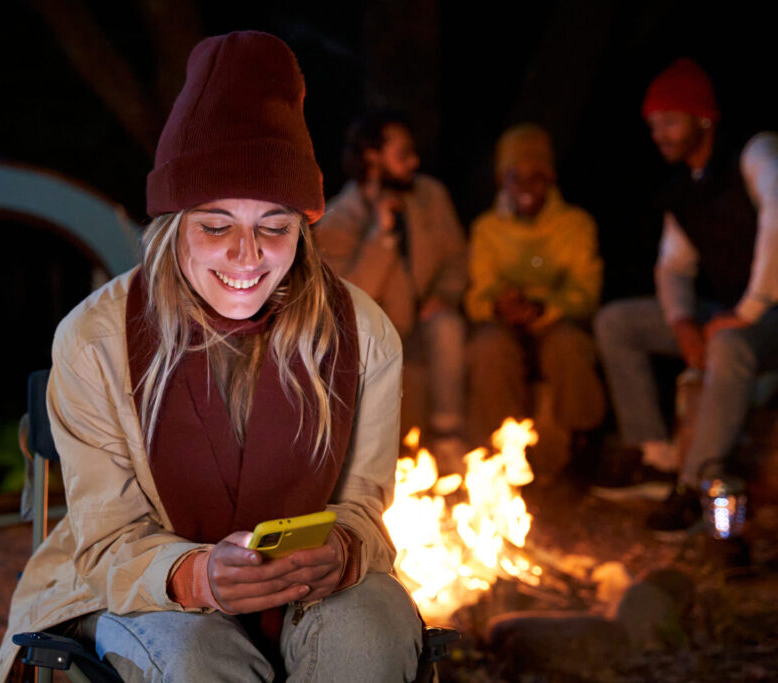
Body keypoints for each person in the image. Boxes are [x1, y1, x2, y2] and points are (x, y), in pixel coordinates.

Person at [0, 31, 421, 683]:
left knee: (365, 639)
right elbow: (106, 540)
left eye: (274, 226)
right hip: (143, 586)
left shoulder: (363, 332)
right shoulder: (94, 338)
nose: (247, 256)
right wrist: (196, 574)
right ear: (172, 224)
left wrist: (341, 548)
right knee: (196, 658)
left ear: (303, 229)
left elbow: (363, 503)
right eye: (216, 225)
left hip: (311, 593)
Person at [594, 58, 778, 531]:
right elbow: (673, 266)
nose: (660, 134)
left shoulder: (755, 152)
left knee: (728, 343)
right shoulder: (682, 189)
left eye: (670, 121)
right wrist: (681, 322)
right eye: (654, 125)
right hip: (730, 309)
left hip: (768, 309)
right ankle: (656, 459)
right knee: (618, 322)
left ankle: (694, 484)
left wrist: (749, 310)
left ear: (704, 118)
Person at [313, 111, 468, 458]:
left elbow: (457, 259)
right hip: (381, 333)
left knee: (447, 326)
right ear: (372, 156)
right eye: (403, 153)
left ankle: (449, 440)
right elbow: (350, 297)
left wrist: (445, 293)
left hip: (427, 323)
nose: (414, 161)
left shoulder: (431, 196)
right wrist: (381, 236)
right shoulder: (337, 220)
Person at [464, 123, 605, 460]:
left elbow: (585, 291)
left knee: (567, 345)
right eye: (515, 176)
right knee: (489, 348)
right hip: (507, 326)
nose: (525, 187)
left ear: (550, 177)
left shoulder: (575, 224)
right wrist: (502, 306)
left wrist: (542, 309)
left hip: (556, 321)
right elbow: (477, 293)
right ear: (502, 180)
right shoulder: (486, 229)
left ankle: (581, 446)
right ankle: (501, 454)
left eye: (535, 176)